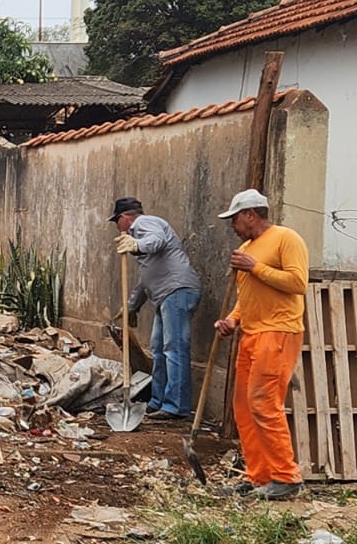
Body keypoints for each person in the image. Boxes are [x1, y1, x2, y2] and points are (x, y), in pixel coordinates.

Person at [213, 188, 310, 500]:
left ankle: (286, 476)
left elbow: (298, 283)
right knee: (243, 406)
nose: (232, 226)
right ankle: (260, 476)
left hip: (278, 331)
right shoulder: (247, 247)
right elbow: (248, 296)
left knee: (264, 403)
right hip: (251, 333)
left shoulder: (286, 238)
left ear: (250, 215)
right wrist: (232, 319)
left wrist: (255, 266)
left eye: (235, 219)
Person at [107, 197, 202, 420]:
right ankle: (157, 401)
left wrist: (136, 244)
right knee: (158, 349)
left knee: (174, 348)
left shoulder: (144, 223)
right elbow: (145, 280)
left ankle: (176, 406)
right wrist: (131, 307)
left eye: (116, 222)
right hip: (165, 295)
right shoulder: (143, 243)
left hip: (177, 291)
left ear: (124, 218)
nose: (118, 229)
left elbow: (157, 240)